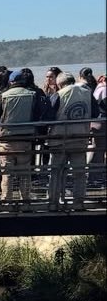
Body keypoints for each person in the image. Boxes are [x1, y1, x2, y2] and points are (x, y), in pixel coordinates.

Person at [0, 68, 46, 208]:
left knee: (7, 173)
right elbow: (37, 115)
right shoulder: (32, 95)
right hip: (26, 139)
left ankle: (6, 202)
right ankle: (26, 201)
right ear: (23, 81)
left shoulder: (3, 96)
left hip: (6, 140)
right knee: (25, 173)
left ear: (11, 82)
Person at [46, 72, 92, 212]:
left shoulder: (59, 94)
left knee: (55, 172)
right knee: (80, 173)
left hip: (60, 139)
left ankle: (53, 203)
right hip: (80, 138)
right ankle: (78, 202)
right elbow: (95, 112)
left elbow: (49, 116)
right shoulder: (87, 93)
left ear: (60, 84)